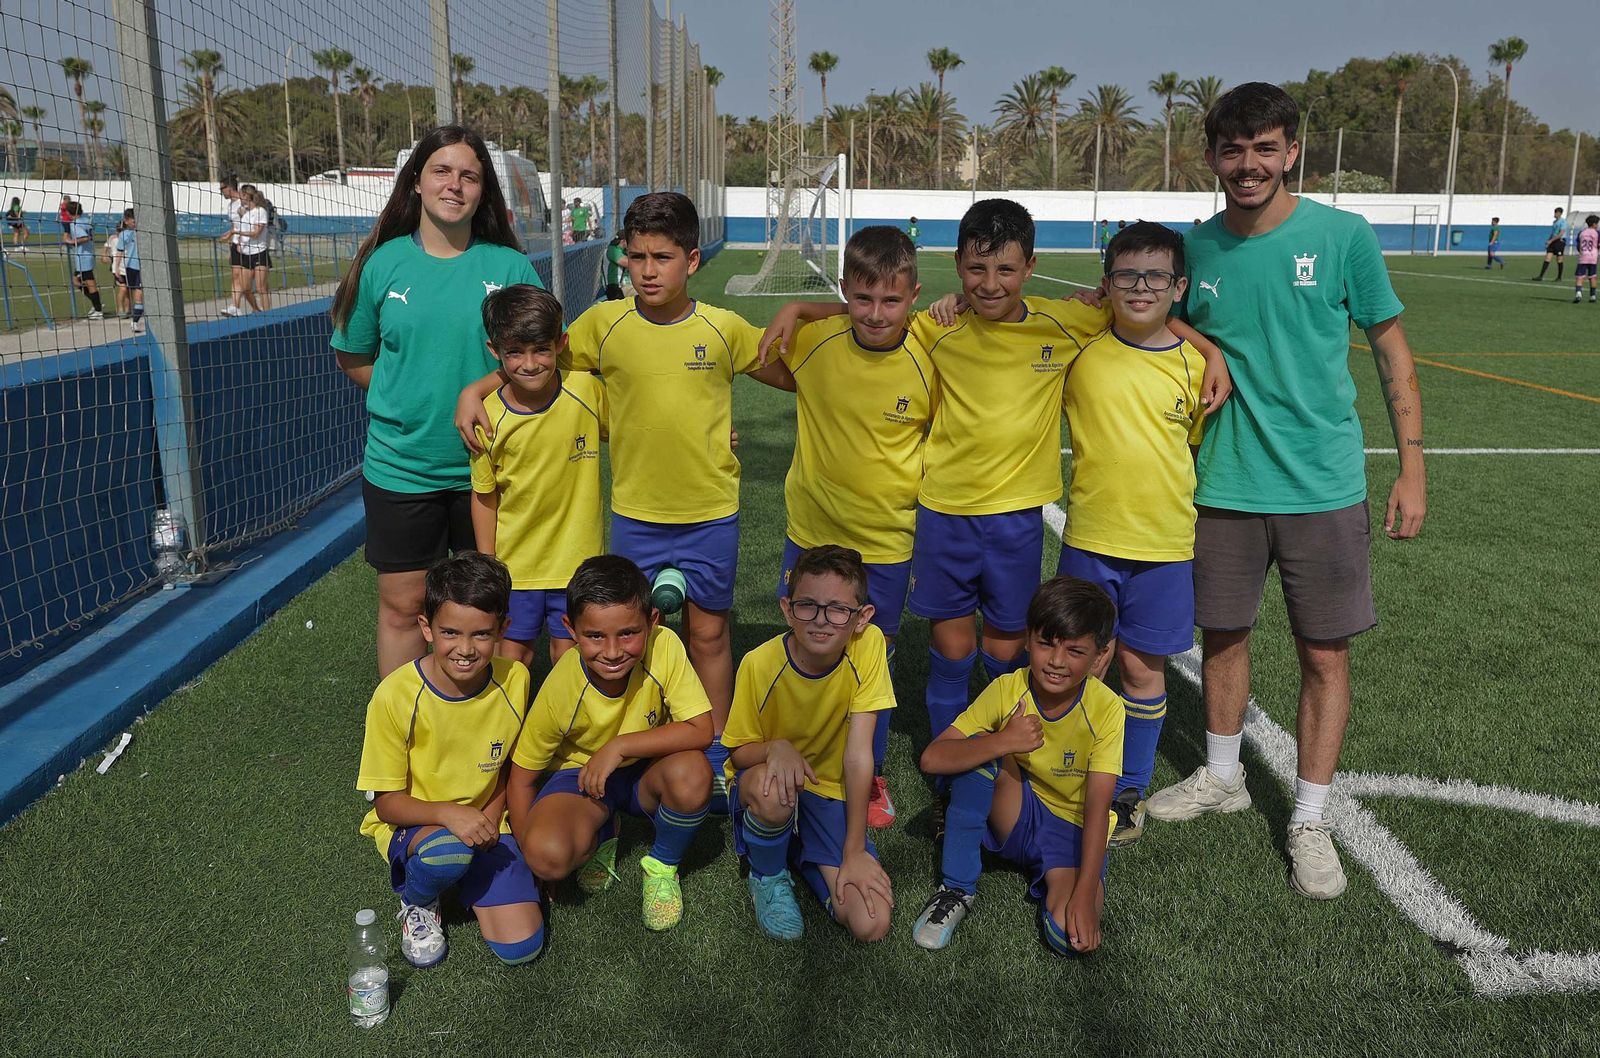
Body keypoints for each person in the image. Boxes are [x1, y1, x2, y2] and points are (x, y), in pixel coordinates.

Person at [762, 200, 1225, 779]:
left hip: (1016, 521)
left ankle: (1004, 758)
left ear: (1029, 267)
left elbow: (1144, 316)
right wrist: (800, 306)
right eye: (976, 270)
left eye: (1005, 270)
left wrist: (1209, 350)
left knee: (1006, 653)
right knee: (952, 650)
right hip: (944, 515)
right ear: (957, 265)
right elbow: (873, 309)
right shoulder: (935, 326)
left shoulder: (1066, 322)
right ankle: (952, 767)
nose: (990, 284)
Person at [1147, 82, 1425, 900]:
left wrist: (1412, 466)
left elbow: (1391, 351)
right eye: (1233, 151)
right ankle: (1224, 775)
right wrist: (1207, 344)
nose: (1248, 165)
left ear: (1291, 151)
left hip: (1323, 486)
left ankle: (1308, 818)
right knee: (1222, 637)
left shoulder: (1343, 237)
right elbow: (1139, 315)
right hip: (1225, 482)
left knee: (1322, 656)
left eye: (1265, 149)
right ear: (1211, 157)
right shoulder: (1193, 248)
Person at [459, 191, 795, 802]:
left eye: (662, 257)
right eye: (635, 256)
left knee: (709, 636)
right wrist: (474, 391)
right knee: (629, 639)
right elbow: (536, 359)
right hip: (636, 518)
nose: (647, 270)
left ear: (692, 260)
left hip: (711, 513)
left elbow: (799, 372)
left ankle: (713, 748)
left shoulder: (721, 331)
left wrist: (808, 310)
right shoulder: (602, 324)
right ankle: (625, 741)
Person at [331, 124, 546, 679]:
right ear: (416, 185)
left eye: (469, 175)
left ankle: (482, 741)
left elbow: (538, 362)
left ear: (483, 191)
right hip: (404, 468)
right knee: (405, 609)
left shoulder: (510, 268)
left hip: (495, 469)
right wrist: (410, 402)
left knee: (489, 615)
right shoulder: (383, 265)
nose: (455, 185)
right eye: (442, 171)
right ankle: (402, 733)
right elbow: (355, 359)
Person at [773, 225, 934, 828]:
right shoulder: (814, 338)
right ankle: (795, 760)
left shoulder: (931, 354)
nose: (875, 313)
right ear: (844, 292)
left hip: (888, 544)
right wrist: (796, 307)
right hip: (812, 534)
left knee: (871, 663)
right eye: (862, 299)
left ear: (914, 296)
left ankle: (868, 775)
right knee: (806, 650)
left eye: (891, 301)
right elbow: (745, 358)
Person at [1058, 221, 1207, 847]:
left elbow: (1191, 447)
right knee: (1080, 668)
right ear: (1106, 283)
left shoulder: (1197, 365)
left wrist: (1211, 349)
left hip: (1165, 548)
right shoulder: (1080, 343)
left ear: (1178, 287)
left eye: (1155, 277)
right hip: (1091, 538)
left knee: (1144, 672)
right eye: (1126, 276)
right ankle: (1068, 777)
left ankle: (1128, 789)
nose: (1140, 287)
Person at [355, 551, 545, 970]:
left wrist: (491, 821)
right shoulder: (394, 696)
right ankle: (418, 900)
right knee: (448, 852)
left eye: (481, 634)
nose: (465, 649)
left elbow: (509, 767)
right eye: (450, 632)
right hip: (417, 824)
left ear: (502, 630)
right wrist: (450, 814)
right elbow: (386, 803)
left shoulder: (515, 679)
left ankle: (465, 878)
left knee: (521, 948)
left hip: (485, 820)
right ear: (426, 627)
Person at [911, 576, 1121, 954]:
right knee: (979, 752)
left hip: (1070, 831)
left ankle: (967, 817)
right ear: (1028, 639)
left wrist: (1086, 891)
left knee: (1068, 938)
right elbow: (932, 758)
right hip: (1016, 808)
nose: (1056, 661)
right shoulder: (1009, 689)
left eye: (1075, 651)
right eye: (1045, 644)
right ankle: (956, 888)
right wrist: (1004, 740)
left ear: (1100, 656)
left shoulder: (1107, 709)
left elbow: (1098, 808)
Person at [505, 555, 714, 932]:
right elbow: (520, 778)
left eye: (628, 634)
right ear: (570, 629)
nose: (614, 651)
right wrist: (530, 859)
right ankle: (604, 831)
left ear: (652, 622)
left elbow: (701, 728)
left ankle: (663, 865)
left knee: (694, 772)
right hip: (582, 779)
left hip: (646, 769)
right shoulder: (561, 688)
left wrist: (619, 747)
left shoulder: (664, 646)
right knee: (546, 854)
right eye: (595, 636)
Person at [724, 545, 896, 943]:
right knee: (774, 790)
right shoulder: (759, 663)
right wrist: (774, 748)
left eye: (838, 610)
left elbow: (857, 756)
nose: (821, 621)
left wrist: (853, 851)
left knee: (870, 923)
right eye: (808, 606)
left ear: (861, 618)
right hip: (765, 779)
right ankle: (767, 876)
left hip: (827, 788)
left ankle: (800, 853)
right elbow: (737, 751)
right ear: (787, 609)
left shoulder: (867, 646)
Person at [469, 284, 607, 666]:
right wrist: (489, 563)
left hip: (578, 564)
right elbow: (485, 495)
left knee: (571, 662)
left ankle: (569, 728)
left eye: (540, 349)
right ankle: (508, 727)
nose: (530, 364)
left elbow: (636, 431)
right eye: (515, 352)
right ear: (495, 352)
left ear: (560, 343)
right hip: (517, 569)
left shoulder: (587, 392)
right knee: (513, 662)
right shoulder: (486, 418)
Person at [217, 176, 258, 317]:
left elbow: (247, 223)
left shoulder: (242, 203)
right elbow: (235, 225)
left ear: (229, 187)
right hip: (236, 244)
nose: (221, 191)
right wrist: (229, 238)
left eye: (222, 188)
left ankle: (256, 309)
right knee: (235, 276)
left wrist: (241, 240)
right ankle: (235, 306)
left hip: (247, 245)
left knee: (245, 283)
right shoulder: (230, 206)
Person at [63, 201, 104, 320]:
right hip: (87, 254)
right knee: (76, 280)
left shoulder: (75, 224)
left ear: (70, 212)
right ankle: (97, 304)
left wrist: (71, 242)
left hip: (84, 257)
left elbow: (86, 237)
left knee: (90, 283)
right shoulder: (86, 221)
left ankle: (98, 309)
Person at [235, 185, 272, 313]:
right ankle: (256, 309)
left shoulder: (260, 211)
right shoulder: (245, 214)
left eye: (241, 195)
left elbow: (256, 233)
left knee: (261, 288)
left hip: (260, 252)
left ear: (246, 195)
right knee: (245, 288)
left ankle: (268, 316)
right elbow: (244, 232)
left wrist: (238, 232)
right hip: (246, 254)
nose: (239, 198)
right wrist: (240, 242)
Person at [114, 210, 145, 334]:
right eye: (132, 221)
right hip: (131, 268)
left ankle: (135, 322)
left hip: (144, 268)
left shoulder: (143, 232)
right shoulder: (124, 235)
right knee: (134, 295)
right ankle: (135, 316)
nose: (135, 223)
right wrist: (116, 267)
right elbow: (120, 251)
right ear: (126, 221)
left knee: (139, 296)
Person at [102, 216, 130, 318]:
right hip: (117, 268)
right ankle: (120, 309)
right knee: (123, 289)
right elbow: (105, 248)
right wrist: (104, 256)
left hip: (128, 266)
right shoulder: (113, 238)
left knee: (127, 289)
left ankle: (128, 310)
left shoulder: (129, 237)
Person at [1533, 206, 1566, 281]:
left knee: (1559, 259)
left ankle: (1559, 277)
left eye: (1556, 212)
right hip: (1553, 241)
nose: (1555, 214)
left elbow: (1561, 234)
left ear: (1560, 213)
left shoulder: (1563, 222)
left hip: (1559, 242)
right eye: (1555, 212)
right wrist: (1549, 240)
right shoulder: (1554, 222)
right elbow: (1553, 233)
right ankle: (1540, 276)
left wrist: (1551, 240)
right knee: (1547, 258)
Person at [1574, 214, 1599, 304]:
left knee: (1579, 277)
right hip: (1593, 257)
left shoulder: (1582, 232)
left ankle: (1578, 293)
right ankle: (1593, 296)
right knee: (1592, 277)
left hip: (1583, 256)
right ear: (1594, 224)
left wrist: (1581, 252)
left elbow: (1578, 245)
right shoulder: (1597, 233)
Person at [604, 234, 627, 300]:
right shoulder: (612, 249)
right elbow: (629, 263)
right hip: (613, 286)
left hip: (620, 285)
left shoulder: (622, 250)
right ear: (623, 241)